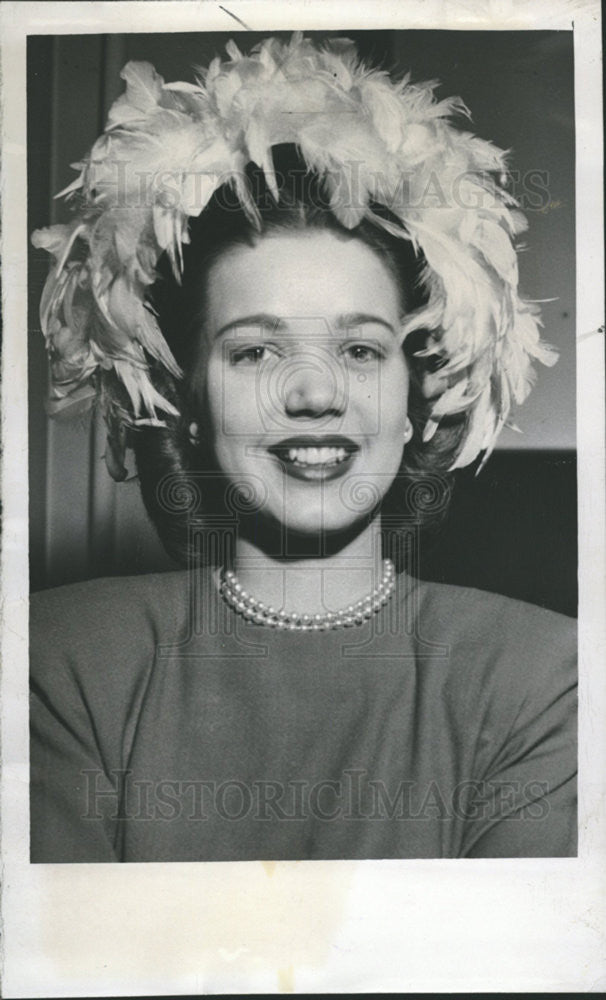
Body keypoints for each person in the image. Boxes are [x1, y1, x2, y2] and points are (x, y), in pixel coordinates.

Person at [29, 32, 576, 862]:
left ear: (415, 400)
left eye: (361, 350)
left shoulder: (546, 676)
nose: (316, 392)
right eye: (255, 350)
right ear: (188, 405)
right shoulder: (57, 657)